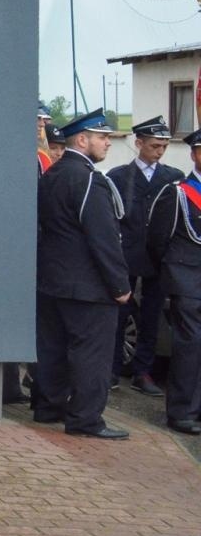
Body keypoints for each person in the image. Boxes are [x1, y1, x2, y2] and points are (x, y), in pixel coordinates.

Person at [34, 108, 131, 439]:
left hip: (52, 280)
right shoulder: (89, 178)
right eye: (103, 137)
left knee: (53, 349)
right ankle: (86, 419)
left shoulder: (53, 173)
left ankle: (48, 406)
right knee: (91, 354)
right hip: (88, 285)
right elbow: (103, 238)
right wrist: (120, 285)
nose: (108, 144)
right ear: (82, 139)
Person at [106, 116, 181, 395]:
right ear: (138, 143)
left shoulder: (172, 177)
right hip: (126, 254)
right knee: (119, 313)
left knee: (151, 316)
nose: (159, 152)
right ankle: (112, 369)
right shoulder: (119, 176)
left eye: (163, 147)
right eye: (153, 146)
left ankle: (143, 371)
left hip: (160, 256)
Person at [146, 129, 201, 434]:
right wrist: (174, 274)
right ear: (193, 154)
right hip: (187, 280)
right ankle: (182, 411)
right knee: (191, 345)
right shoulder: (177, 192)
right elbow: (157, 240)